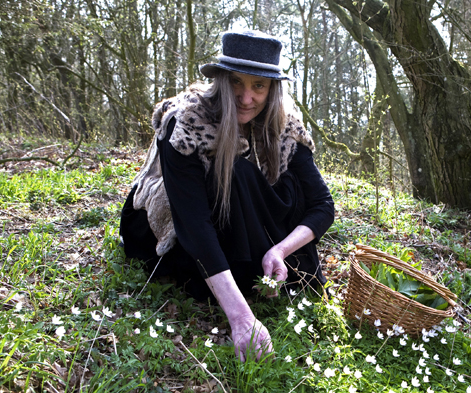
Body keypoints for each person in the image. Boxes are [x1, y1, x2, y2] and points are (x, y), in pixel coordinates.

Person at [119, 30, 334, 361]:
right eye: (236, 82)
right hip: (176, 224)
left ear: (272, 89)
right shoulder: (187, 121)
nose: (246, 98)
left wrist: (280, 250)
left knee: (291, 186)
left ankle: (261, 262)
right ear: (221, 80)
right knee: (236, 172)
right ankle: (236, 279)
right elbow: (193, 224)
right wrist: (241, 318)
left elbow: (322, 205)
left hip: (237, 215)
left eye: (258, 86)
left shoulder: (286, 124)